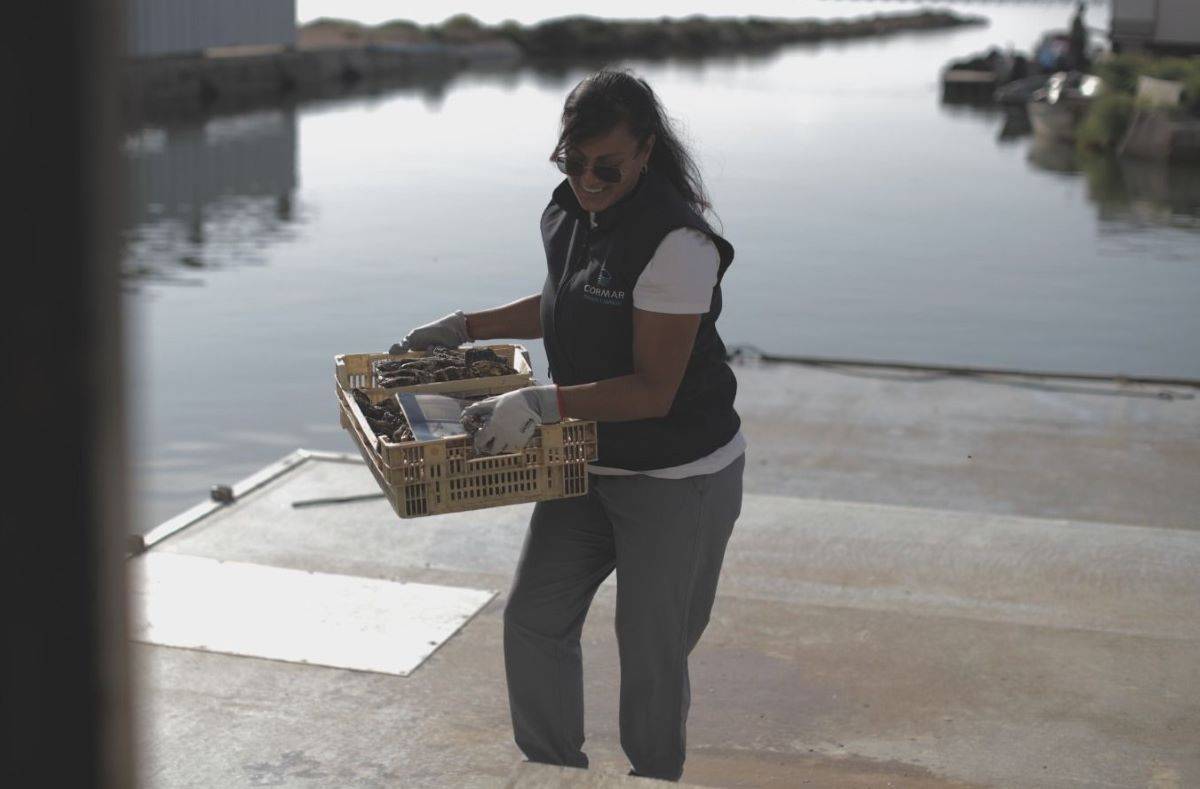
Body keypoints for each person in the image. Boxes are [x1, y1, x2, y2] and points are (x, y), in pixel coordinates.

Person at [391, 69, 746, 782]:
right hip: (585, 461)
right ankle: (556, 770)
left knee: (651, 654)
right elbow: (564, 298)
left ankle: (653, 777)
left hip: (676, 478)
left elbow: (653, 392)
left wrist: (541, 403)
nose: (588, 179)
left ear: (645, 151)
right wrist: (464, 327)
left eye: (606, 166)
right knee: (533, 620)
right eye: (572, 162)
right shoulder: (570, 212)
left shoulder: (678, 244)